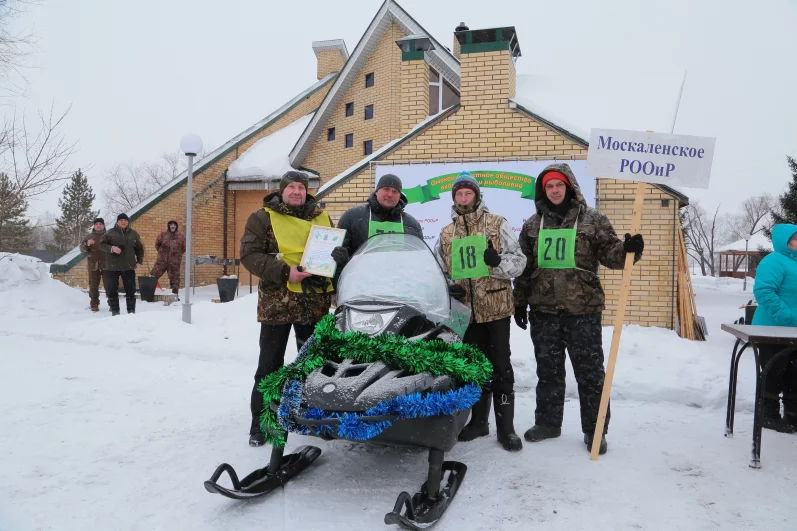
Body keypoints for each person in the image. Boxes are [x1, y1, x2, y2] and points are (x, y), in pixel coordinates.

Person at [513, 163, 644, 455]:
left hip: (583, 311)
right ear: (543, 190)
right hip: (544, 311)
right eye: (549, 186)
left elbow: (611, 255)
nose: (555, 190)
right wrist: (519, 301)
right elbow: (524, 266)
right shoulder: (533, 225)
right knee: (548, 371)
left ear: (569, 187)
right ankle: (548, 423)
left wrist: (629, 250)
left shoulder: (593, 220)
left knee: (590, 373)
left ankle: (595, 429)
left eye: (559, 185)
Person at [433, 171, 527, 452]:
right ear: (454, 198)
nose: (463, 197)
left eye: (468, 193)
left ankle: (506, 427)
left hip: (496, 308)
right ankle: (478, 422)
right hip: (465, 314)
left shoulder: (497, 223)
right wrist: (450, 287)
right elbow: (440, 270)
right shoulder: (446, 233)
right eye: (459, 194)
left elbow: (519, 262)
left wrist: (497, 262)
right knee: (474, 369)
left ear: (476, 195)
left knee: (501, 368)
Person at [240, 171, 334, 447]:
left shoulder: (322, 216)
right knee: (270, 365)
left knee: (315, 365)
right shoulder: (261, 217)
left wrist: (337, 263)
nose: (297, 191)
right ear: (282, 191)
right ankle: (263, 423)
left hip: (314, 302)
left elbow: (334, 253)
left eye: (301, 187)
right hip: (277, 303)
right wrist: (284, 272)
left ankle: (314, 416)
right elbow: (249, 255)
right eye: (291, 187)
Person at [751, 223, 797, 433]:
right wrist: (786, 317)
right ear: (784, 241)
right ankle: (767, 415)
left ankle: (793, 414)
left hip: (793, 330)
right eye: (795, 238)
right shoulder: (773, 261)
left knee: (794, 373)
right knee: (774, 372)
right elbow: (764, 291)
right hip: (772, 329)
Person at [331, 174, 423, 273]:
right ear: (376, 192)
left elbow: (418, 259)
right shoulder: (354, 216)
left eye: (395, 191)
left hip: (398, 283)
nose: (390, 194)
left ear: (400, 196)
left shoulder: (411, 223)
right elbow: (337, 250)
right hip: (359, 282)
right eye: (386, 189)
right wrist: (344, 260)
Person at [99, 213, 144, 316]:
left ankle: (131, 312)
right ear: (117, 222)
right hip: (112, 267)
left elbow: (140, 249)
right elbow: (101, 245)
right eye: (121, 220)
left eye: (125, 220)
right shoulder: (110, 233)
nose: (123, 222)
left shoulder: (134, 234)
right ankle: (115, 312)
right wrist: (112, 248)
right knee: (112, 290)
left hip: (128, 267)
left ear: (128, 222)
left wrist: (139, 261)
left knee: (130, 290)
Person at [150, 220, 186, 296]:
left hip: (174, 263)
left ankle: (175, 296)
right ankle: (148, 294)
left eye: (174, 225)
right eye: (171, 225)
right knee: (153, 276)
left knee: (175, 280)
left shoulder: (181, 236)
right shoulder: (163, 235)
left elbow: (183, 248)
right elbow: (157, 245)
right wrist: (163, 253)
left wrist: (176, 256)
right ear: (169, 226)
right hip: (161, 261)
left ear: (176, 226)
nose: (173, 226)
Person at [80, 217, 107, 312]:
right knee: (93, 286)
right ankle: (94, 304)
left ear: (103, 225)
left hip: (107, 265)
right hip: (93, 265)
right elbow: (82, 249)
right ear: (94, 225)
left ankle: (112, 304)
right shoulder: (89, 236)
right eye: (97, 224)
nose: (98, 225)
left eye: (100, 224)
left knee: (110, 286)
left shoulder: (109, 235)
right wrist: (87, 244)